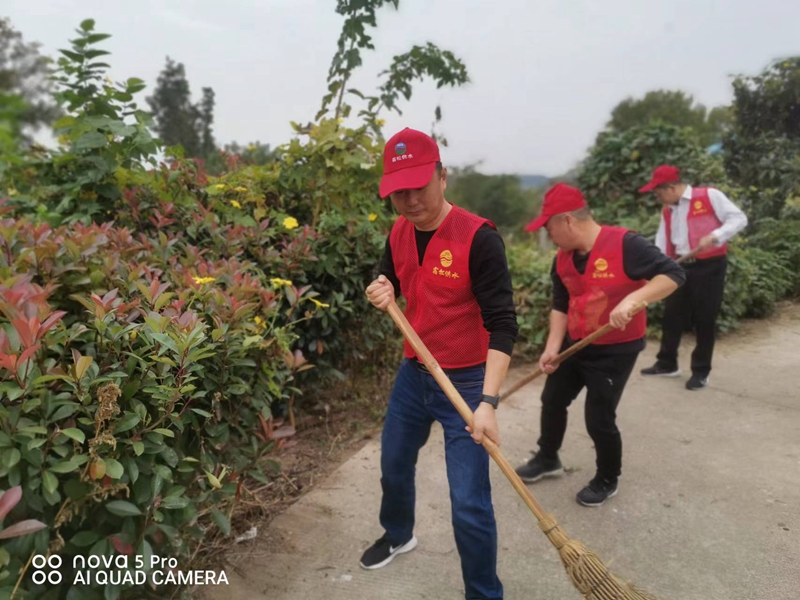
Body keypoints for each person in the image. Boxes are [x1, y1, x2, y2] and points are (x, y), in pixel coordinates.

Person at [361, 127, 518, 600]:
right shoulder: (398, 230)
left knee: (469, 502)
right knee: (393, 464)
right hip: (414, 373)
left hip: (467, 382)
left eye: (419, 187)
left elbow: (504, 324)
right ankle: (398, 532)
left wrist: (488, 402)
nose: (410, 201)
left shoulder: (479, 239)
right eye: (398, 193)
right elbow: (389, 274)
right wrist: (381, 288)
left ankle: (483, 593)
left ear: (443, 176)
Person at [515, 183, 685, 506]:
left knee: (599, 415)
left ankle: (608, 477)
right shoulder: (562, 260)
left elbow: (673, 275)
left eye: (549, 228)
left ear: (567, 221)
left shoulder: (626, 245)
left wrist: (635, 299)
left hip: (616, 349)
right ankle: (548, 458)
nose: (549, 236)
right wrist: (552, 347)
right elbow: (560, 304)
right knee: (552, 399)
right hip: (577, 342)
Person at [637, 165, 748, 390]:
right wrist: (657, 267)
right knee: (672, 315)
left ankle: (700, 371)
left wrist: (715, 235)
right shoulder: (668, 210)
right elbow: (661, 239)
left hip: (709, 266)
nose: (657, 197)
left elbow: (739, 218)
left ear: (671, 187)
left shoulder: (708, 196)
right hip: (679, 266)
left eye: (658, 192)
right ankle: (667, 363)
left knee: (705, 319)